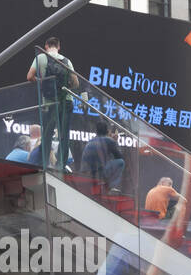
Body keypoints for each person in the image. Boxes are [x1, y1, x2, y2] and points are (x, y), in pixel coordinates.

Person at [27, 37, 79, 172]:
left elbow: (29, 76)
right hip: (66, 101)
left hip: (49, 102)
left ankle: (44, 163)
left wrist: (43, 82)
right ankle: (60, 165)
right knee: (64, 134)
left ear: (46, 46)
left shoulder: (40, 57)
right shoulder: (67, 61)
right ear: (59, 46)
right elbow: (76, 83)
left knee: (47, 133)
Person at [80, 122, 125, 192]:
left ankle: (105, 183)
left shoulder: (91, 141)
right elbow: (119, 157)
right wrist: (115, 141)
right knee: (121, 162)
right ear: (107, 131)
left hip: (85, 173)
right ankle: (110, 186)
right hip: (98, 172)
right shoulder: (109, 140)